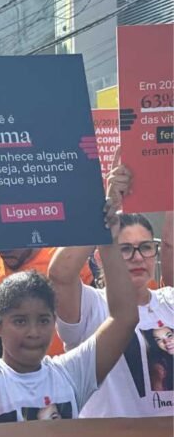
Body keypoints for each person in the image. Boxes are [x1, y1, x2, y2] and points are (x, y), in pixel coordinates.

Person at [0, 186, 138, 425]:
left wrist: (109, 241)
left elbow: (125, 318)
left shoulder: (70, 374)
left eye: (43, 320)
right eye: (20, 321)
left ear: (54, 322)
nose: (34, 332)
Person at [48, 158, 174, 417]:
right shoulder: (91, 304)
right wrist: (106, 212)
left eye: (146, 247)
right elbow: (59, 274)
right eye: (125, 249)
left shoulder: (169, 300)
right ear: (100, 256)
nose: (138, 258)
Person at [0, 246, 93, 356]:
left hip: (63, 371)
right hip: (4, 377)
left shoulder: (63, 262)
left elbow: (96, 311)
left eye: (43, 320)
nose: (6, 254)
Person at [142, 324, 174, 391]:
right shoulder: (160, 362)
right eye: (158, 340)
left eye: (169, 336)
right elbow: (157, 375)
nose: (166, 342)